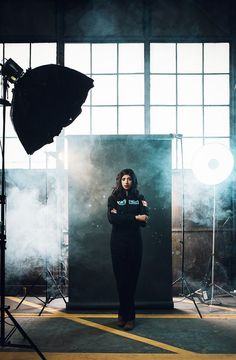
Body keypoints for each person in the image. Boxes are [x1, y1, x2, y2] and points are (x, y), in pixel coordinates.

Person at [107, 168, 149, 331]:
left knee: (131, 280)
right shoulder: (113, 198)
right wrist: (134, 217)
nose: (126, 181)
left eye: (129, 179)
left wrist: (124, 217)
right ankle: (125, 314)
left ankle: (127, 316)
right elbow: (112, 219)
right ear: (120, 180)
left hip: (135, 243)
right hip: (118, 243)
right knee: (121, 280)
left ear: (133, 181)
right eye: (123, 179)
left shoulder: (140, 198)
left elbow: (144, 219)